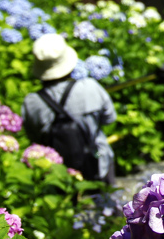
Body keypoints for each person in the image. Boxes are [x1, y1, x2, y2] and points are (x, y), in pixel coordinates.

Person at [21, 34, 117, 185]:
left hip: (56, 174)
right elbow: (109, 118)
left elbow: (34, 139)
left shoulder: (32, 101)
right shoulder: (90, 87)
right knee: (107, 204)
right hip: (98, 164)